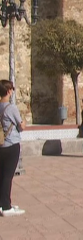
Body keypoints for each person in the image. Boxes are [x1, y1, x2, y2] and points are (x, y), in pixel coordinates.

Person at [0, 80, 26, 217]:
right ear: (9, 91)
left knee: (2, 175)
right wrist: (24, 123)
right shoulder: (11, 108)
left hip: (1, 145)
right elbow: (20, 126)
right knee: (7, 177)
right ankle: (6, 206)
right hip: (11, 144)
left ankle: (2, 203)